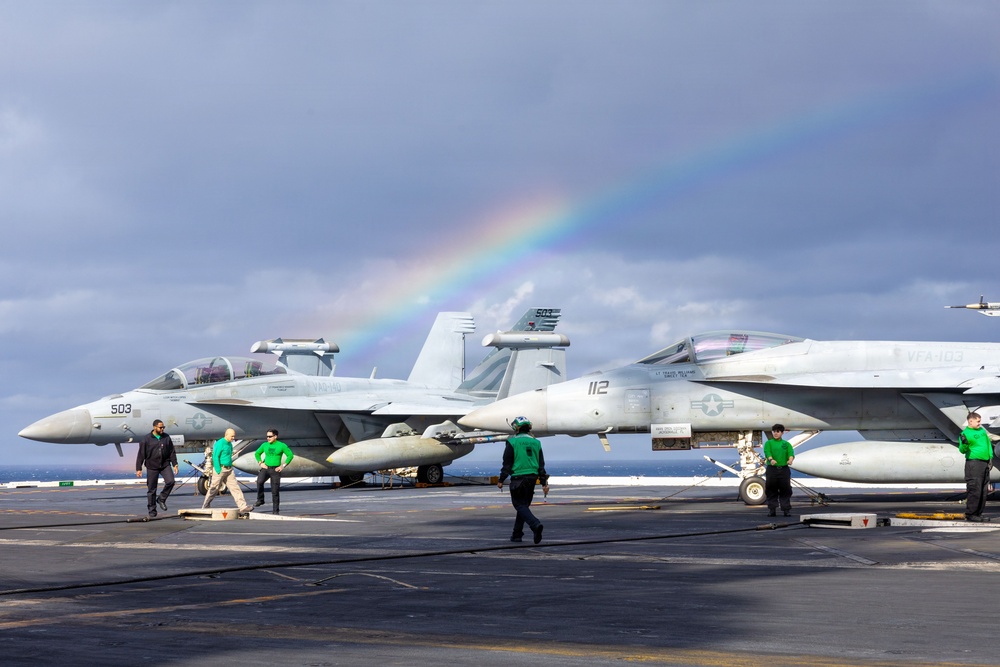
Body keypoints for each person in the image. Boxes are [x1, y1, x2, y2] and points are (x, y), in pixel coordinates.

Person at [497, 416, 549, 544]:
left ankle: (535, 524)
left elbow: (507, 463)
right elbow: (541, 464)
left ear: (516, 427)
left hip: (518, 478)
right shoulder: (536, 442)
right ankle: (517, 534)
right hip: (532, 479)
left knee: (519, 505)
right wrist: (544, 482)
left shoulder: (512, 441)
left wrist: (501, 479)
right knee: (523, 506)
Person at [202, 428, 254, 515]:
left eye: (234, 436)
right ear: (226, 435)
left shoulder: (230, 444)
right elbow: (215, 456)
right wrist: (218, 469)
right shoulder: (220, 443)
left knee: (235, 488)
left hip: (229, 469)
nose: (233, 438)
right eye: (232, 436)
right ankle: (205, 505)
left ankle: (243, 506)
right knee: (214, 488)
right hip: (221, 469)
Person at [135, 419, 179, 518]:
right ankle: (152, 510)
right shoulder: (146, 439)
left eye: (163, 427)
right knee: (152, 490)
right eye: (160, 427)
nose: (162, 429)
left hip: (165, 465)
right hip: (152, 466)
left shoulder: (166, 437)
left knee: (171, 481)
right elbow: (141, 454)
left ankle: (161, 499)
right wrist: (139, 468)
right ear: (154, 427)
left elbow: (172, 451)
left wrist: (175, 464)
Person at [959, 412, 994, 522]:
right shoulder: (965, 434)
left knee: (983, 490)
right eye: (978, 421)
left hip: (984, 463)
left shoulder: (982, 431)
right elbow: (962, 450)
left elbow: (988, 444)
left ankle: (978, 513)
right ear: (971, 421)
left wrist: (990, 457)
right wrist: (964, 443)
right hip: (973, 464)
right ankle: (971, 514)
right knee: (975, 489)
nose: (980, 423)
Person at [254, 429, 294, 514]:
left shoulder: (281, 445)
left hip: (275, 470)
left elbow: (290, 455)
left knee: (275, 491)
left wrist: (283, 466)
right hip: (266, 468)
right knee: (259, 482)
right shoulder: (264, 445)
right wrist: (260, 463)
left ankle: (275, 510)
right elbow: (257, 453)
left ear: (275, 436)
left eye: (270, 436)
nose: (268, 438)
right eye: (267, 436)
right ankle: (260, 500)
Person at [763, 423, 794, 517]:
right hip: (772, 469)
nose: (775, 433)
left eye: (778, 431)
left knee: (786, 489)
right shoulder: (769, 443)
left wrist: (790, 459)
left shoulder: (786, 444)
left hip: (784, 469)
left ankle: (786, 509)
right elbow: (767, 452)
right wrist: (771, 459)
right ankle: (772, 509)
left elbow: (790, 453)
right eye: (774, 431)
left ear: (782, 433)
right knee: (771, 489)